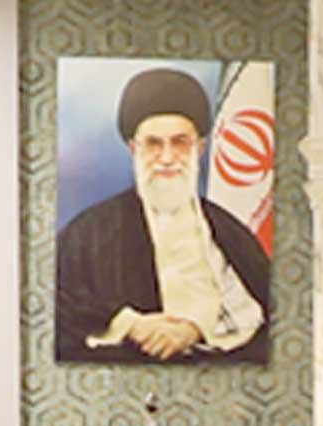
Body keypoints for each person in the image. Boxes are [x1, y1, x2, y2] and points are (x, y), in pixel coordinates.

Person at [52, 66, 272, 365]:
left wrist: (197, 329)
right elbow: (58, 309)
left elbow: (263, 311)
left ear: (200, 149)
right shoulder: (87, 233)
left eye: (180, 142)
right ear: (134, 149)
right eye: (154, 144)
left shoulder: (229, 231)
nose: (167, 158)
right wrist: (129, 325)